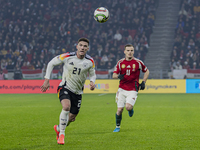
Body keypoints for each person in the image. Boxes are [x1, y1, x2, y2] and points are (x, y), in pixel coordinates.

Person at [40, 38, 96, 145]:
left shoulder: (90, 61)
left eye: (85, 46)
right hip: (65, 87)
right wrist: (47, 80)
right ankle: (62, 135)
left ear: (88, 48)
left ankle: (58, 128)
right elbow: (51, 63)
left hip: (78, 92)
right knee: (66, 107)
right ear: (77, 46)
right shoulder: (67, 56)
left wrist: (92, 82)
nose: (82, 48)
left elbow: (93, 74)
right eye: (81, 45)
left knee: (71, 118)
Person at [112, 44, 149, 132]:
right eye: (128, 50)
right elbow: (114, 75)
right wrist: (118, 76)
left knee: (128, 107)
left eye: (131, 50)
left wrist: (144, 81)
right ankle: (117, 126)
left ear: (133, 51)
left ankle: (130, 109)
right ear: (124, 51)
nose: (130, 52)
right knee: (120, 110)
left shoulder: (138, 62)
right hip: (121, 89)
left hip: (133, 89)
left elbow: (147, 71)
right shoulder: (120, 62)